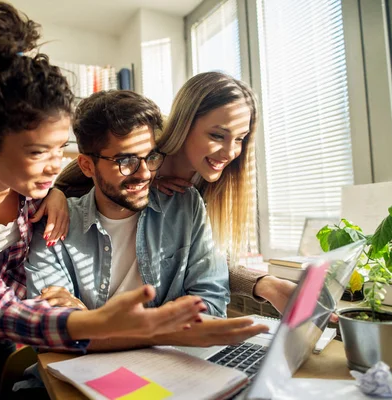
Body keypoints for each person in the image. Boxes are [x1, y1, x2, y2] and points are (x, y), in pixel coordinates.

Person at [0, 4, 205, 399]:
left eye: (59, 149)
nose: (53, 167)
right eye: (36, 153)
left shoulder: (39, 185)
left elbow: (105, 169)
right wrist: (98, 324)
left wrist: (64, 191)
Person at [26, 90, 269, 350]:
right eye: (126, 160)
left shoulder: (185, 205)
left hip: (171, 365)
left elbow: (211, 303)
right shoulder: (54, 222)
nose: (144, 174)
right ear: (86, 166)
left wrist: (91, 325)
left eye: (151, 157)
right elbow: (53, 329)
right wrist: (162, 327)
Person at [55, 72, 297, 314]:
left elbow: (207, 266)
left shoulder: (205, 189)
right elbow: (80, 171)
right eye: (217, 135)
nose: (229, 152)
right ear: (185, 124)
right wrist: (54, 195)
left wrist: (263, 284)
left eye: (240, 139)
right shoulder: (145, 141)